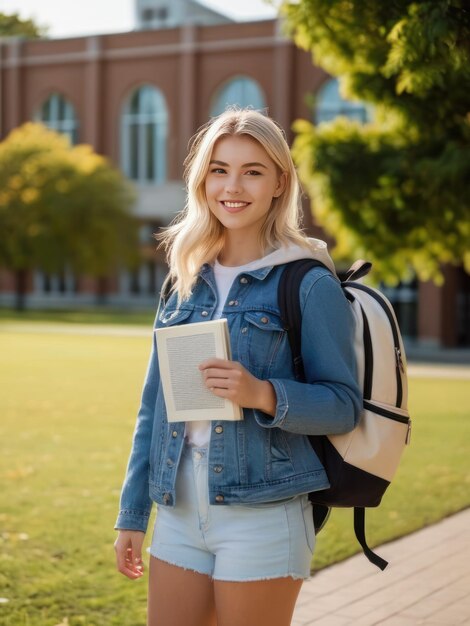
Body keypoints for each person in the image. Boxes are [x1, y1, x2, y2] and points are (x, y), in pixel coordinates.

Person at [114, 108, 361, 626]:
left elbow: (343, 406)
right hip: (179, 507)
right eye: (219, 169)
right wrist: (133, 514)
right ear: (202, 179)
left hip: (264, 513)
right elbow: (152, 408)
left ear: (279, 183)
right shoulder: (185, 278)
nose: (233, 186)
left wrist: (264, 394)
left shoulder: (307, 281)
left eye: (253, 171)